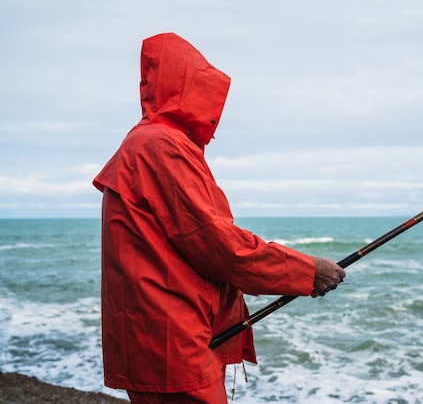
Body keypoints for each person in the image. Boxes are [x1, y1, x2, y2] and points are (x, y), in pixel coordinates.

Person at [93, 32, 346, 403]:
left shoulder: (152, 142)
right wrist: (308, 272)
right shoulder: (160, 145)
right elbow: (219, 245)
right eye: (201, 86)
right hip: (172, 341)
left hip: (165, 335)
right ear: (184, 88)